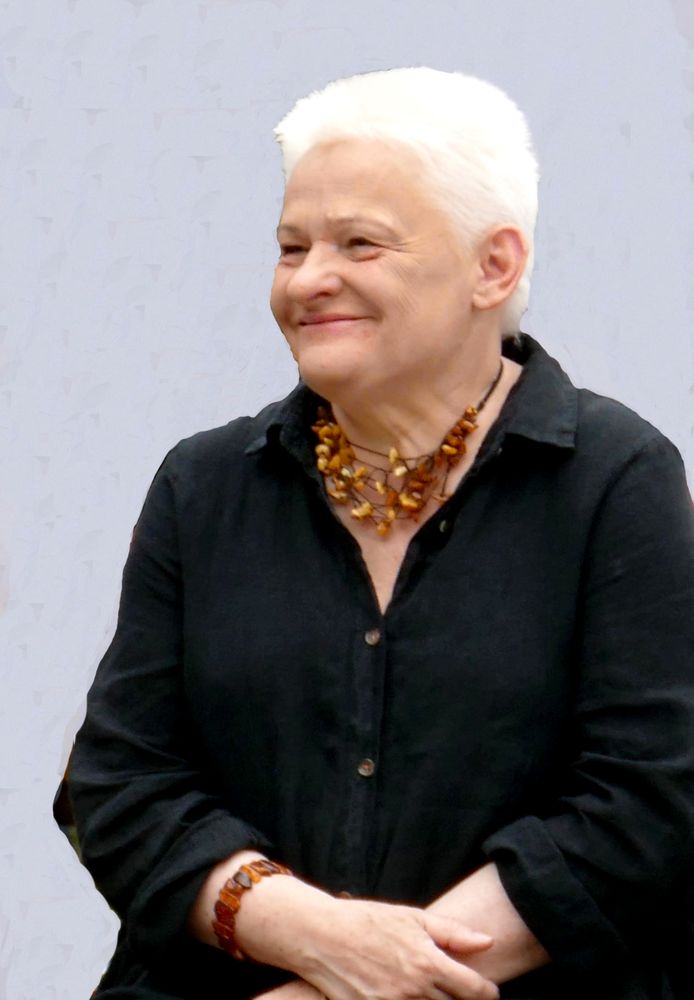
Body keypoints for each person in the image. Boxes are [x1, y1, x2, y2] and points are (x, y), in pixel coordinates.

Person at [66, 67, 694, 1000]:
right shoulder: (204, 486)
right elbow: (118, 786)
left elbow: (648, 801)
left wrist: (367, 988)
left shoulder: (614, 479)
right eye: (291, 247)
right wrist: (316, 939)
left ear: (495, 267)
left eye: (360, 243)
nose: (308, 280)